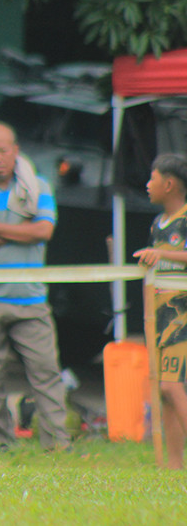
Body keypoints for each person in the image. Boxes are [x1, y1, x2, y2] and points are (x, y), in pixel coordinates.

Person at [0, 121, 70, 452]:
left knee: (46, 371)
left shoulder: (40, 185)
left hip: (30, 297)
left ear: (15, 151)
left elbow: (44, 231)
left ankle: (57, 445)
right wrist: (21, 229)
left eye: (3, 151)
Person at [132, 153, 187, 469]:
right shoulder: (157, 224)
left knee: (171, 385)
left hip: (181, 312)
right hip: (160, 314)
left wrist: (162, 254)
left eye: (152, 178)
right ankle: (175, 464)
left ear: (168, 184)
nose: (147, 184)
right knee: (165, 390)